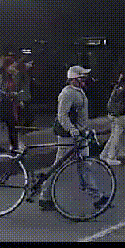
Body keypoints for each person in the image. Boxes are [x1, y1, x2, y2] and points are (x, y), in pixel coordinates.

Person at [39, 65, 109, 211]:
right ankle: (45, 196)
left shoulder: (79, 91)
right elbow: (62, 116)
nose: (85, 81)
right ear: (74, 79)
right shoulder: (67, 93)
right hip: (69, 137)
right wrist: (72, 130)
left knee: (84, 165)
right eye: (82, 78)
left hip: (80, 134)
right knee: (59, 166)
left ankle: (97, 197)